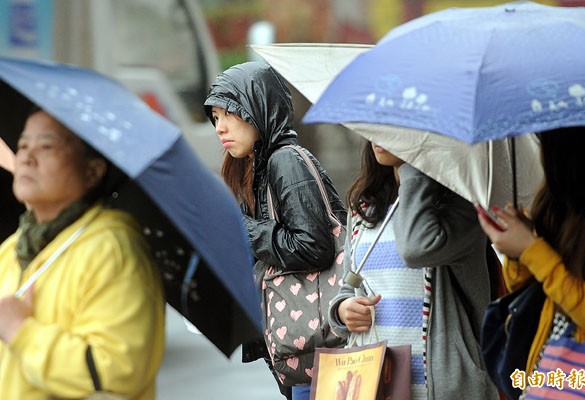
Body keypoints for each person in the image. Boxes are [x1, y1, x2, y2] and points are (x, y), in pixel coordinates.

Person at [204, 61, 347, 400]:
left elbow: (313, 246)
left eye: (229, 114)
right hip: (301, 349)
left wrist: (239, 226)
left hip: (321, 346)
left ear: (258, 108)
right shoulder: (256, 168)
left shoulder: (286, 160)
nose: (219, 127)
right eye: (214, 118)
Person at [0, 109, 165, 399]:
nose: (27, 157)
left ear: (92, 171)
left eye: (46, 146)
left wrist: (20, 330)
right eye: (23, 145)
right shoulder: (12, 249)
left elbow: (115, 370)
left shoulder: (111, 250)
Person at [329, 140, 499, 399]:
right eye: (376, 125)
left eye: (393, 129)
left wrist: (414, 168)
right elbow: (350, 284)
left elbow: (415, 248)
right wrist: (344, 311)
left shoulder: (460, 207)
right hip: (377, 383)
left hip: (443, 387)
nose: (380, 136)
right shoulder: (365, 207)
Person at [478, 126, 585, 398]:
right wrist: (518, 248)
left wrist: (533, 250)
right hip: (549, 365)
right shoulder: (557, 201)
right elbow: (530, 290)